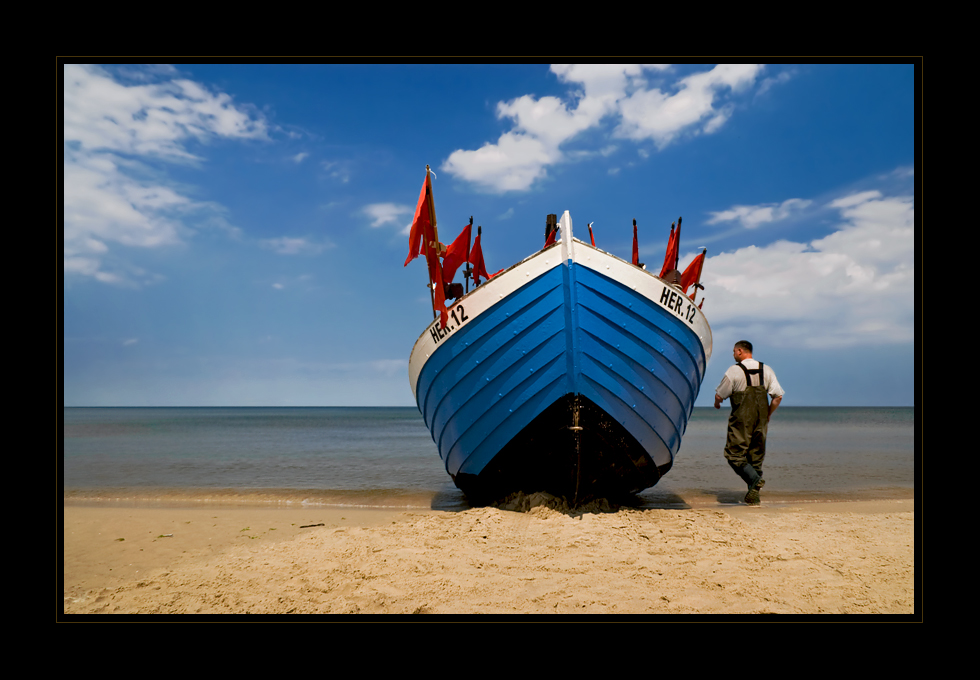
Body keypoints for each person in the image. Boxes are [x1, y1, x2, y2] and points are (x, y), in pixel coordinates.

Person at [714, 340, 784, 504]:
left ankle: (754, 481)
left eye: (733, 351)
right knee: (756, 458)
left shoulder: (734, 371)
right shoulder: (766, 370)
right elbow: (778, 397)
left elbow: (720, 394)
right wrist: (768, 414)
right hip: (761, 421)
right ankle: (754, 498)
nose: (733, 354)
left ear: (740, 351)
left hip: (741, 421)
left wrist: (717, 403)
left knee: (734, 455)